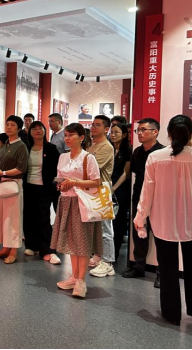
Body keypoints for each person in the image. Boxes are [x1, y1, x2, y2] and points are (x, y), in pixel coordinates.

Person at [134, 115, 192, 326]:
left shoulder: (156, 157)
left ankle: (172, 314)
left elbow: (147, 191)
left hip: (163, 219)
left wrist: (140, 217)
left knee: (167, 268)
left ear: (168, 133)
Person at [52, 123, 104, 299]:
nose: (67, 138)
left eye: (71, 135)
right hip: (66, 200)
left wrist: (74, 182)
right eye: (66, 135)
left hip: (82, 203)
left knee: (82, 243)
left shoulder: (88, 157)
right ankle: (74, 277)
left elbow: (96, 181)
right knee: (71, 242)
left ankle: (81, 280)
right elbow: (60, 179)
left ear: (81, 138)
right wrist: (61, 185)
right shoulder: (63, 157)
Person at [122, 119, 165, 287]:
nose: (139, 133)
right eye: (138, 130)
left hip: (157, 200)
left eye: (144, 130)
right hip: (138, 198)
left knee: (160, 237)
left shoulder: (163, 153)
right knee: (138, 234)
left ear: (155, 132)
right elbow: (135, 173)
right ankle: (138, 267)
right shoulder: (137, 152)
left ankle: (162, 273)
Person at [0, 116, 29, 265]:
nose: (9, 127)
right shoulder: (5, 144)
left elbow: (21, 168)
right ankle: (5, 247)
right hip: (0, 184)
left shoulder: (21, 146)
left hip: (13, 184)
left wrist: (4, 173)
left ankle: (13, 250)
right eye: (7, 125)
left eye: (12, 125)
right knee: (1, 217)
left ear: (19, 128)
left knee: (13, 219)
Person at [23, 121, 62, 265]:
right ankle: (31, 245)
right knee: (29, 217)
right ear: (30, 132)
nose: (38, 131)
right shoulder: (26, 148)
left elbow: (58, 169)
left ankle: (47, 249)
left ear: (45, 131)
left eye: (40, 128)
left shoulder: (51, 148)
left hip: (45, 188)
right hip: (28, 187)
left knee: (43, 218)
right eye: (34, 128)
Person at [88, 115, 116, 278]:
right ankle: (99, 255)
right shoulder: (93, 145)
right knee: (96, 228)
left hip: (102, 191)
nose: (93, 127)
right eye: (93, 124)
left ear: (106, 129)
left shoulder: (106, 147)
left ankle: (108, 262)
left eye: (97, 125)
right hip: (92, 190)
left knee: (105, 228)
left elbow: (92, 169)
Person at [110, 123, 132, 262]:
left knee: (118, 222)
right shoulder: (109, 149)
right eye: (112, 132)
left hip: (121, 189)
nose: (113, 135)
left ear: (124, 135)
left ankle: (114, 254)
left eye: (116, 132)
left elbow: (125, 173)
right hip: (107, 187)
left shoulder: (128, 151)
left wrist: (114, 188)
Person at [49, 113, 68, 213]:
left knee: (59, 203)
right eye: (49, 122)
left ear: (59, 122)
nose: (50, 124)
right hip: (54, 172)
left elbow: (68, 155)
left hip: (62, 173)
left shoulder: (65, 135)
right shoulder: (54, 135)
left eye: (52, 121)